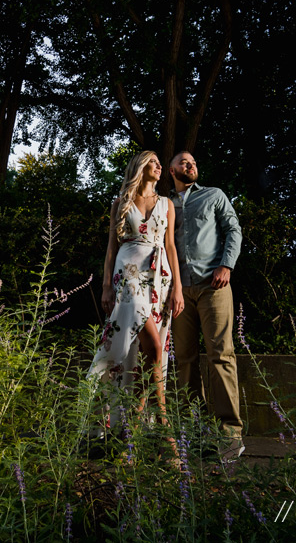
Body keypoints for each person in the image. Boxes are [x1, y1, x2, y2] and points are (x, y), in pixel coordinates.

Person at [89, 151, 184, 433]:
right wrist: (106, 285)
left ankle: (132, 422)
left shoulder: (166, 204)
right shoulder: (121, 203)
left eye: (159, 162)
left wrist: (177, 287)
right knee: (152, 346)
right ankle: (162, 425)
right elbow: (111, 247)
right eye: (154, 162)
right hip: (128, 275)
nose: (159, 167)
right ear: (141, 167)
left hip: (159, 278)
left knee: (150, 351)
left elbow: (170, 247)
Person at [168, 151, 244, 460]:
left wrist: (226, 265)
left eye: (194, 162)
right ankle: (196, 432)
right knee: (184, 360)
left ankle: (230, 434)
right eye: (184, 162)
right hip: (179, 292)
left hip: (214, 287)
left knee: (220, 356)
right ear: (171, 169)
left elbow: (233, 230)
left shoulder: (214, 195)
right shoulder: (165, 204)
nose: (191, 165)